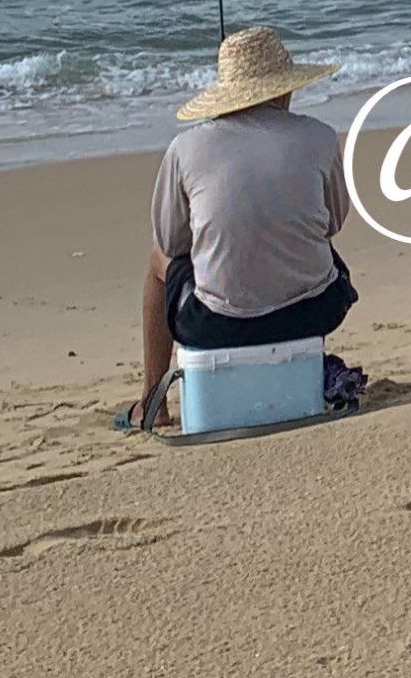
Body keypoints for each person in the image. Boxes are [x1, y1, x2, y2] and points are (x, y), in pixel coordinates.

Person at [123, 23, 359, 431]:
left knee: (156, 260)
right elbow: (334, 221)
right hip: (316, 312)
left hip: (216, 325)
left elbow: (171, 242)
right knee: (310, 243)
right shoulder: (320, 137)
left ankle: (151, 403)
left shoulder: (186, 147)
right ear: (283, 90)